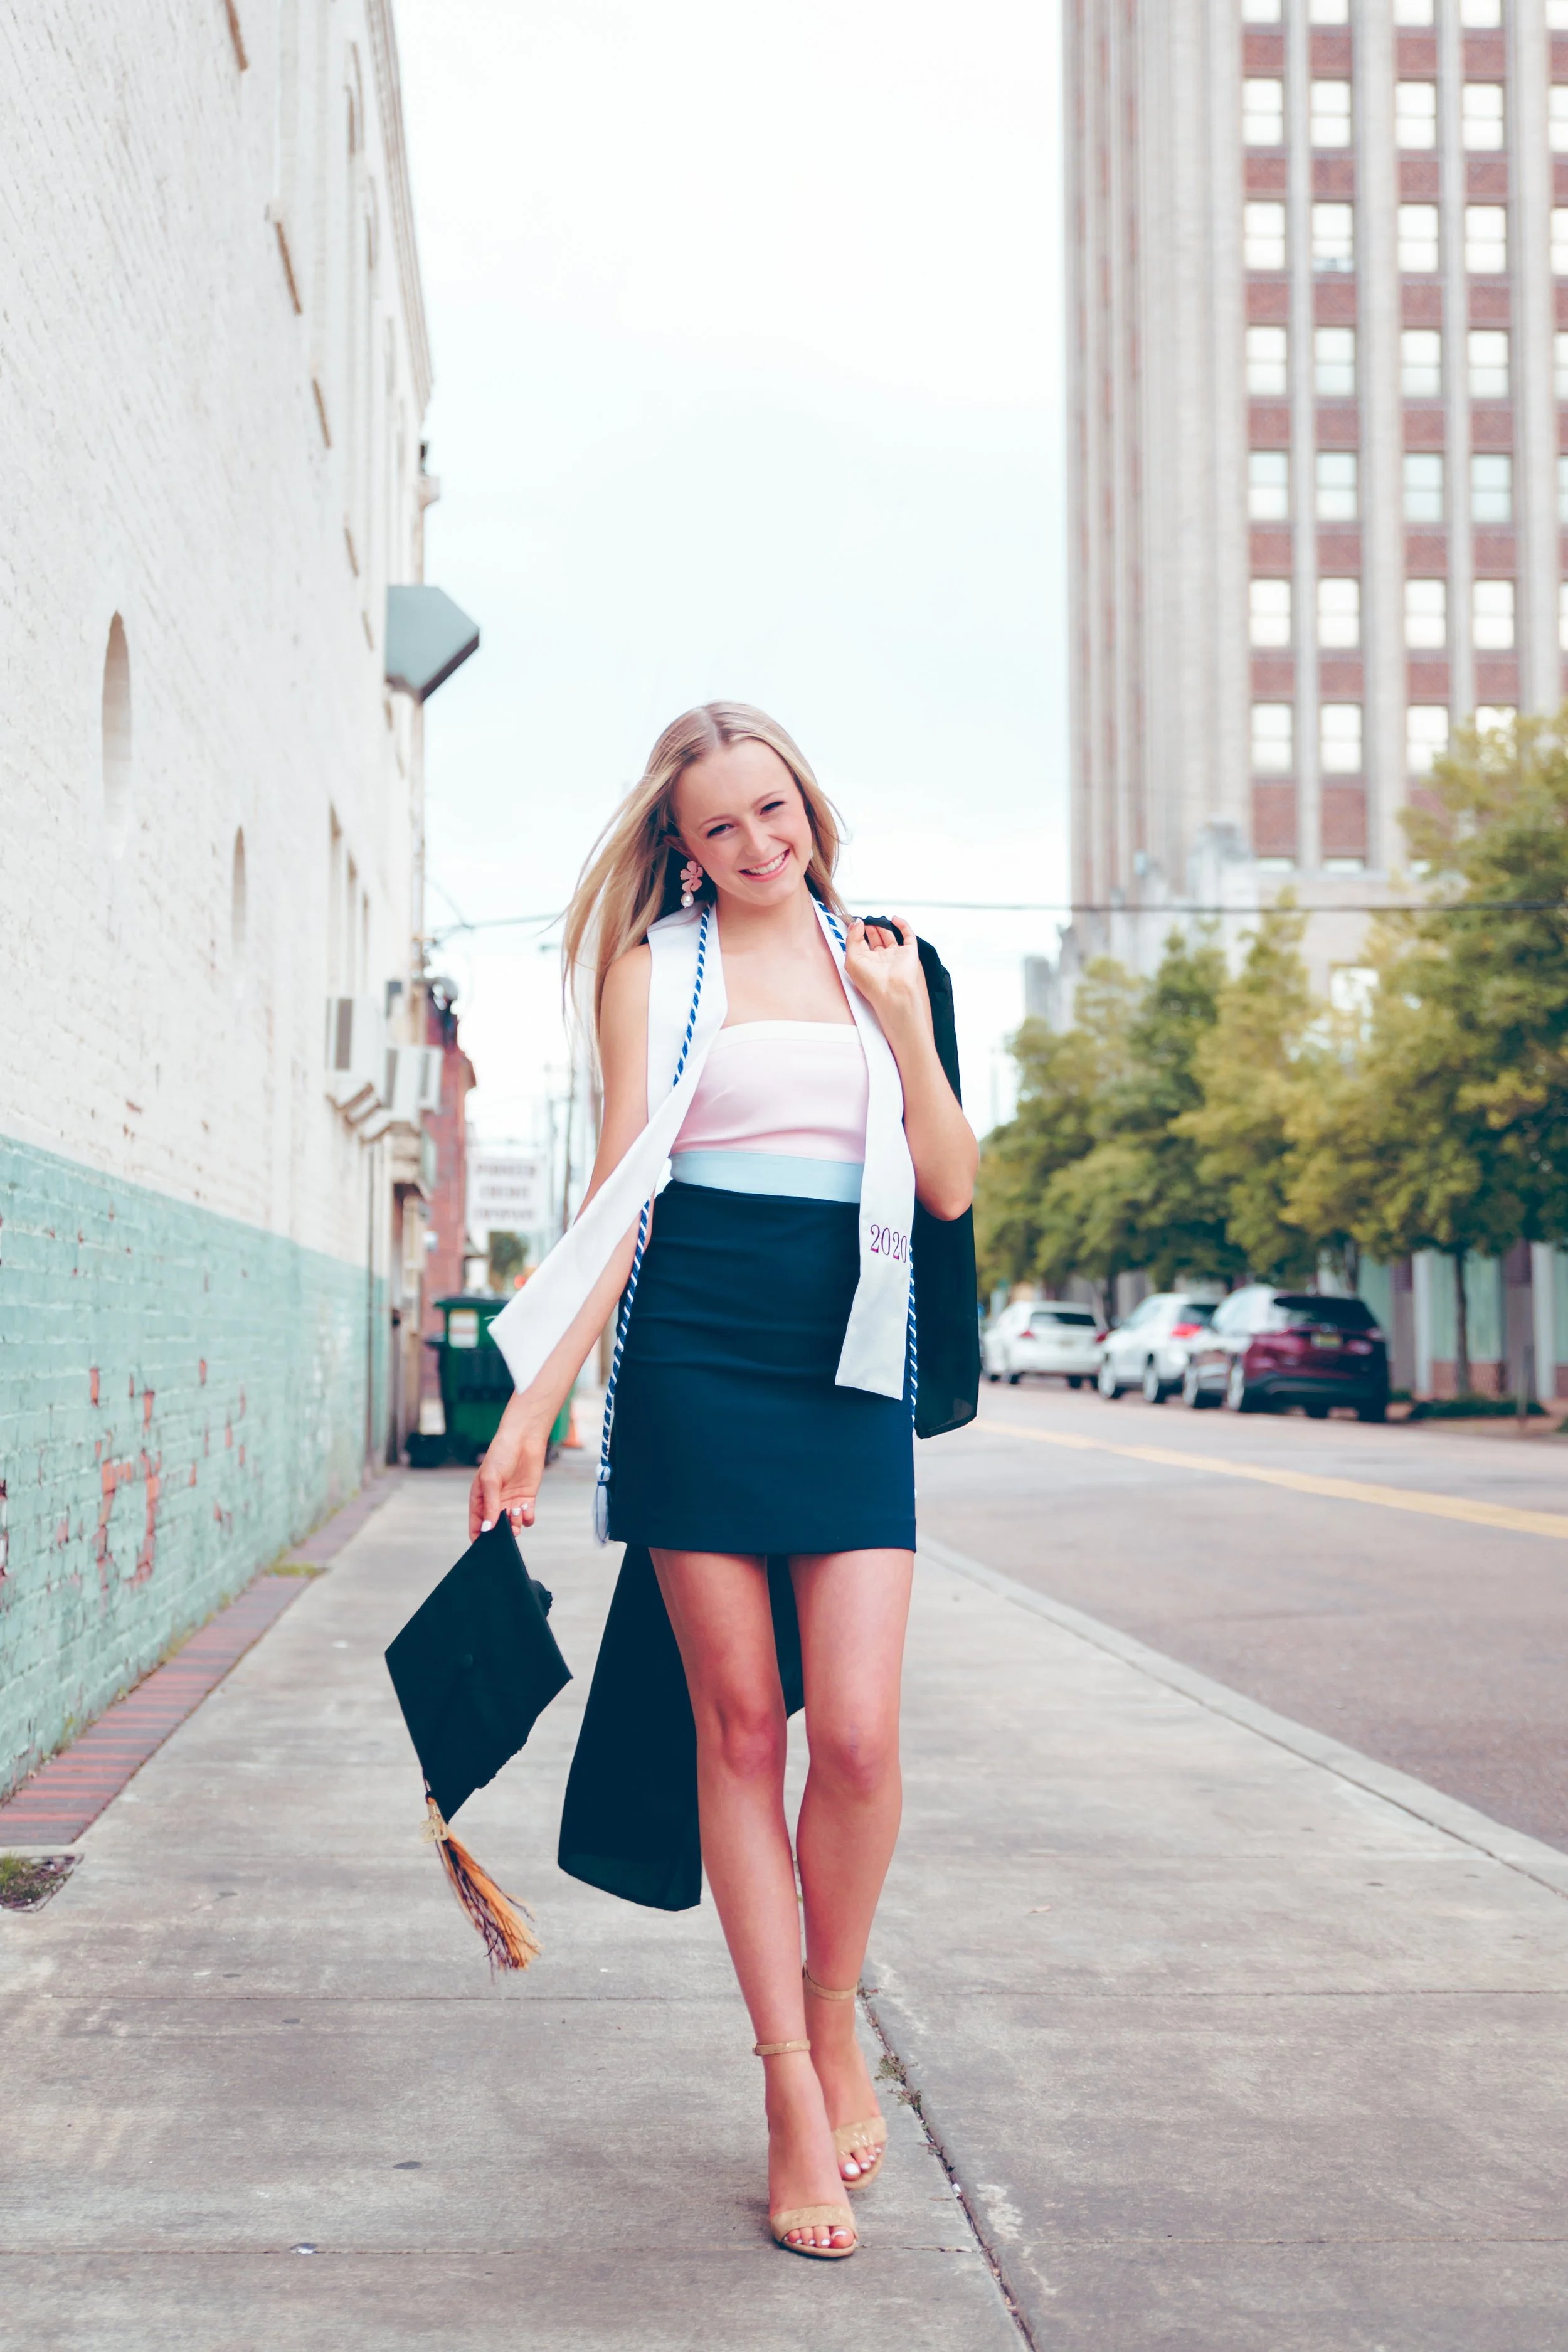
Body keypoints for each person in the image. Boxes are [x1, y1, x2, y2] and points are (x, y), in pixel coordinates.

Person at [470, 702, 977, 2260]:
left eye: (775, 813)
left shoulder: (893, 958)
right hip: (692, 1351)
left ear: (807, 808)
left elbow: (950, 1186)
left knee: (867, 1738)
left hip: (848, 1350)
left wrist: (898, 1020)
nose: (759, 847)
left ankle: (838, 2020)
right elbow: (623, 1189)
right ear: (677, 852)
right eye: (721, 829)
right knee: (742, 1728)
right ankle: (781, 2089)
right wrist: (532, 1408)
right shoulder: (656, 971)